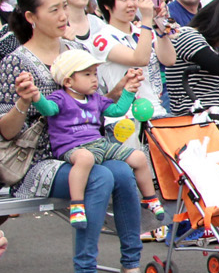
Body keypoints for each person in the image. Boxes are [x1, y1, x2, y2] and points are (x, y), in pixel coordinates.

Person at [0, 0, 149, 273]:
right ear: (31, 17)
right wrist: (24, 102)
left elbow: (92, 109)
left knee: (122, 172)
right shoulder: (15, 61)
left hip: (87, 148)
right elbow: (7, 131)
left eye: (63, 7)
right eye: (53, 9)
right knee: (98, 178)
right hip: (40, 160)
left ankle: (132, 268)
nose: (63, 15)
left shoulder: (76, 51)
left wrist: (121, 89)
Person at [38, 49, 160, 226]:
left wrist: (128, 91)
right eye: (87, 74)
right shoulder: (60, 98)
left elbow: (117, 110)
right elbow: (48, 109)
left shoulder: (95, 98)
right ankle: (77, 205)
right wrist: (35, 97)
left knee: (138, 156)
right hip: (72, 147)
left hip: (98, 144)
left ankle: (150, 198)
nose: (94, 78)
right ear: (68, 81)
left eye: (95, 73)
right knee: (85, 159)